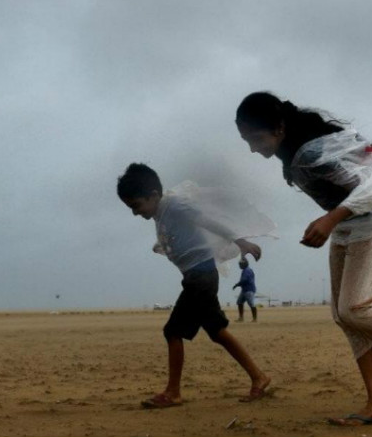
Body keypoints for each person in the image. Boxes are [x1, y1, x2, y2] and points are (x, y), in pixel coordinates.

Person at [235, 91, 372, 426]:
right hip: (347, 228)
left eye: (255, 137)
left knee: (354, 308)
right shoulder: (296, 151)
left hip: (366, 226)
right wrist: (335, 221)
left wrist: (330, 218)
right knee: (342, 314)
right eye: (246, 140)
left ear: (279, 127)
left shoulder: (312, 154)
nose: (252, 147)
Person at [116, 163, 272, 408]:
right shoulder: (161, 214)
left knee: (173, 331)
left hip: (201, 277)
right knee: (216, 331)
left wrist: (241, 242)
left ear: (154, 195)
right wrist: (164, 246)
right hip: (197, 276)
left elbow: (207, 221)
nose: (136, 213)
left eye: (136, 205)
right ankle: (258, 377)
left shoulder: (174, 205)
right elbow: (179, 237)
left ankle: (173, 392)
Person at [232, 257, 258, 322]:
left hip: (249, 290)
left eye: (240, 264)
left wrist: (237, 284)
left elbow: (244, 280)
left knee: (251, 304)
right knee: (239, 302)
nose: (240, 266)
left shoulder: (247, 270)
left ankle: (255, 318)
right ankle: (241, 318)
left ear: (244, 264)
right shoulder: (246, 270)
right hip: (244, 290)